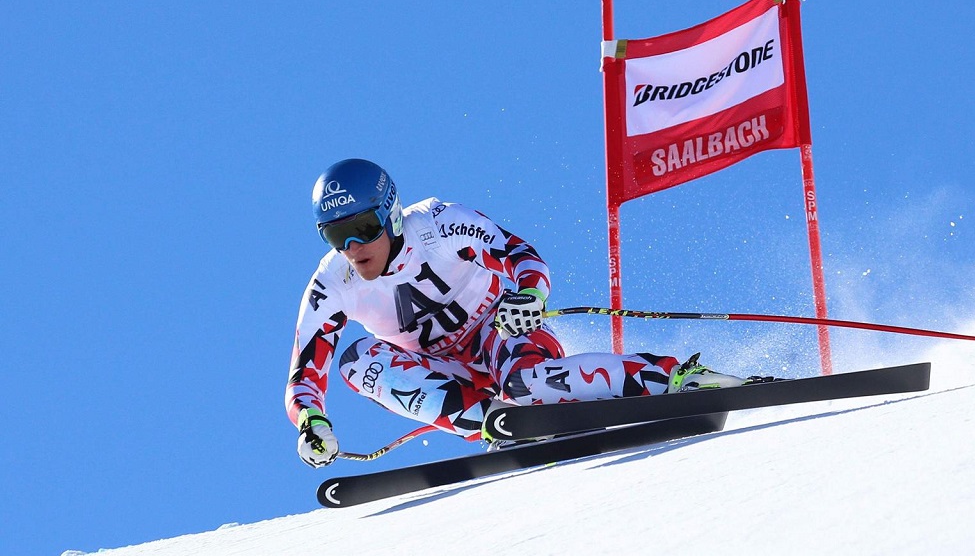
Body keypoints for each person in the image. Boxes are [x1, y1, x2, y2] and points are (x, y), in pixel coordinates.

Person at [285, 158, 745, 468]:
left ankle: (675, 378)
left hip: (502, 332)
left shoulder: (439, 223)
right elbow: (304, 373)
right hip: (445, 372)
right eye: (335, 235)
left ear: (391, 215)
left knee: (526, 385)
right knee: (356, 360)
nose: (353, 248)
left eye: (362, 229)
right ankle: (495, 423)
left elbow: (518, 253)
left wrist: (529, 294)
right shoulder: (332, 283)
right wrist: (311, 421)